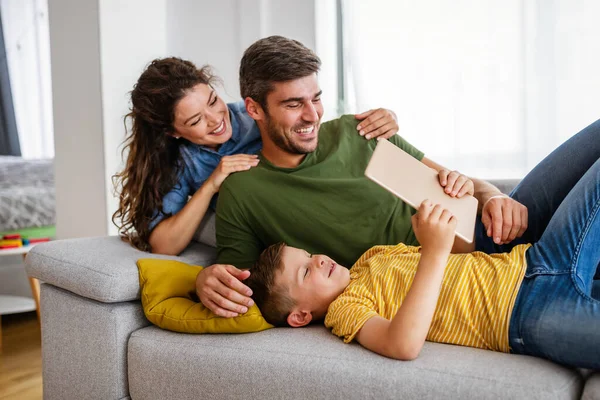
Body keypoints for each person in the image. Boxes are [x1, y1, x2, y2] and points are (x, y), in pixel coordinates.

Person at [196, 34, 600, 318]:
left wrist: (492, 195)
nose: (312, 115)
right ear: (254, 109)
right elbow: (243, 280)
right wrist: (204, 281)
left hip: (499, 220)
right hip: (476, 266)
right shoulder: (245, 191)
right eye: (293, 104)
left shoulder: (356, 131)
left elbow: (462, 182)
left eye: (316, 98)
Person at [245, 155, 600, 369]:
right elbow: (402, 345)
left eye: (309, 255)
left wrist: (460, 197)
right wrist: (434, 249)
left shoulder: (371, 258)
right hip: (526, 312)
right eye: (306, 270)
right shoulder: (345, 310)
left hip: (532, 260)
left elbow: (463, 255)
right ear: (300, 316)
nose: (320, 259)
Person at [111, 57, 400, 254]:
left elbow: (313, 129)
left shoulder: (256, 115)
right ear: (173, 132)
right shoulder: (182, 162)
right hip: (258, 223)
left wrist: (385, 118)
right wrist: (213, 182)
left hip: (307, 200)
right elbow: (164, 244)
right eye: (196, 120)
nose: (215, 120)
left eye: (213, 101)